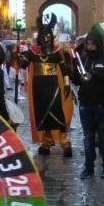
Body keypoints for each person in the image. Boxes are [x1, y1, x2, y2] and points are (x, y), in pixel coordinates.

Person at [20, 14, 74, 156]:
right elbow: (24, 64)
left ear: (51, 36)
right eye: (43, 36)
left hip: (52, 85)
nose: (45, 39)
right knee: (42, 115)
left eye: (48, 36)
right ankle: (47, 141)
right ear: (39, 37)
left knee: (57, 113)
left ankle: (65, 142)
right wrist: (19, 56)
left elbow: (65, 70)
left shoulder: (57, 51)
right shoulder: (32, 51)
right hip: (38, 87)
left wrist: (67, 85)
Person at [69, 28, 104, 179]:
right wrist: (73, 71)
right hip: (85, 103)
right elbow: (77, 80)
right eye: (88, 44)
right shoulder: (83, 58)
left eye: (92, 44)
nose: (90, 47)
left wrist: (95, 74)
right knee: (88, 137)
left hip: (103, 104)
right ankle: (88, 167)